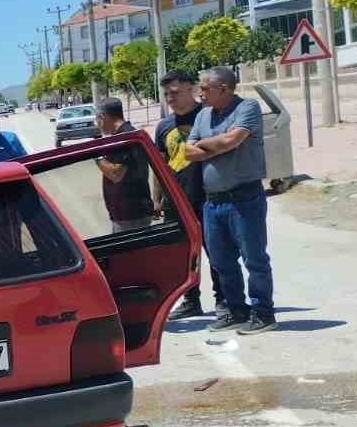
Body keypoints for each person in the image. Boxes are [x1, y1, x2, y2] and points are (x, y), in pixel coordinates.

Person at [184, 66, 275, 335]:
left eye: (204, 88)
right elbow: (188, 152)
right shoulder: (202, 115)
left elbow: (232, 141)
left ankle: (263, 313)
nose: (200, 93)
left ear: (222, 89)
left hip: (244, 198)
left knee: (254, 259)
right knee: (221, 262)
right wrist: (219, 142)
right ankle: (236, 310)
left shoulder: (247, 108)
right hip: (213, 202)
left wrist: (209, 145)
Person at [152, 69, 219, 320]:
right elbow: (159, 165)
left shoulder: (208, 116)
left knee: (216, 252)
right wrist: (157, 198)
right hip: (175, 202)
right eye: (167, 93)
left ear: (192, 88)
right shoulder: (163, 126)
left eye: (175, 92)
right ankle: (191, 301)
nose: (170, 97)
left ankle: (223, 299)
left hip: (208, 197)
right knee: (183, 257)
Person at [93, 98, 153, 233]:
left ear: (102, 117)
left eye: (97, 120)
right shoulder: (123, 135)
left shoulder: (126, 137)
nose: (97, 125)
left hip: (131, 214)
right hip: (126, 214)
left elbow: (116, 174)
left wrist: (97, 156)